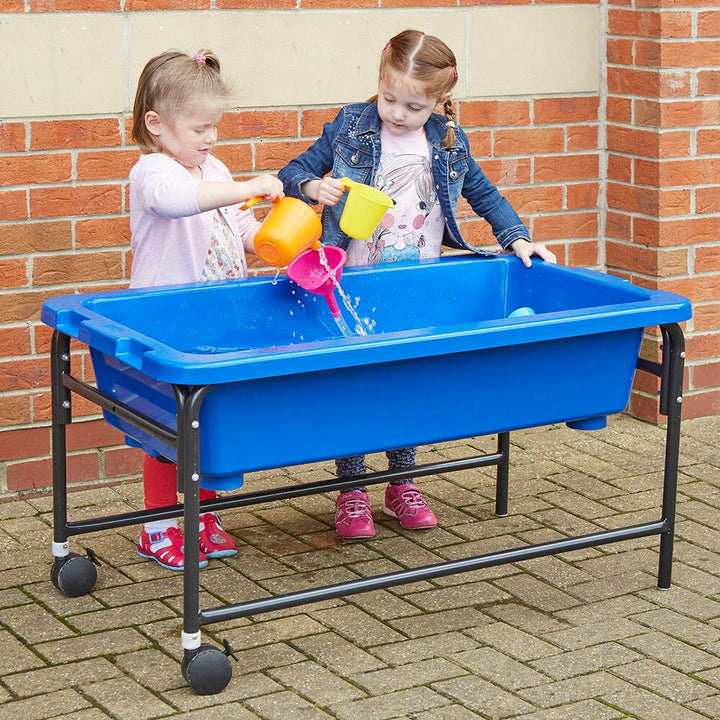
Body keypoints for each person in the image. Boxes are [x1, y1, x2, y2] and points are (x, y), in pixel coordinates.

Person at [279, 29, 556, 540]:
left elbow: (484, 193)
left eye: (414, 105)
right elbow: (293, 171)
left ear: (440, 100)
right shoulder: (350, 127)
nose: (398, 113)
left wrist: (519, 240)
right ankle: (353, 490)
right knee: (358, 379)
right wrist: (313, 186)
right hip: (355, 283)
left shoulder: (448, 142)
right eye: (389, 99)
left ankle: (402, 481)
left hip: (418, 282)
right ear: (378, 83)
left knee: (406, 379)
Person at [129, 49, 284, 569]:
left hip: (219, 320)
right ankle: (156, 527)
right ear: (156, 123)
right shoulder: (152, 172)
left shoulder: (213, 166)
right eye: (199, 127)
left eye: (215, 125)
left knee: (208, 424)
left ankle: (200, 517)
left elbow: (241, 230)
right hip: (168, 322)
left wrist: (285, 241)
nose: (211, 137)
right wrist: (249, 186)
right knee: (164, 429)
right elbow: (180, 200)